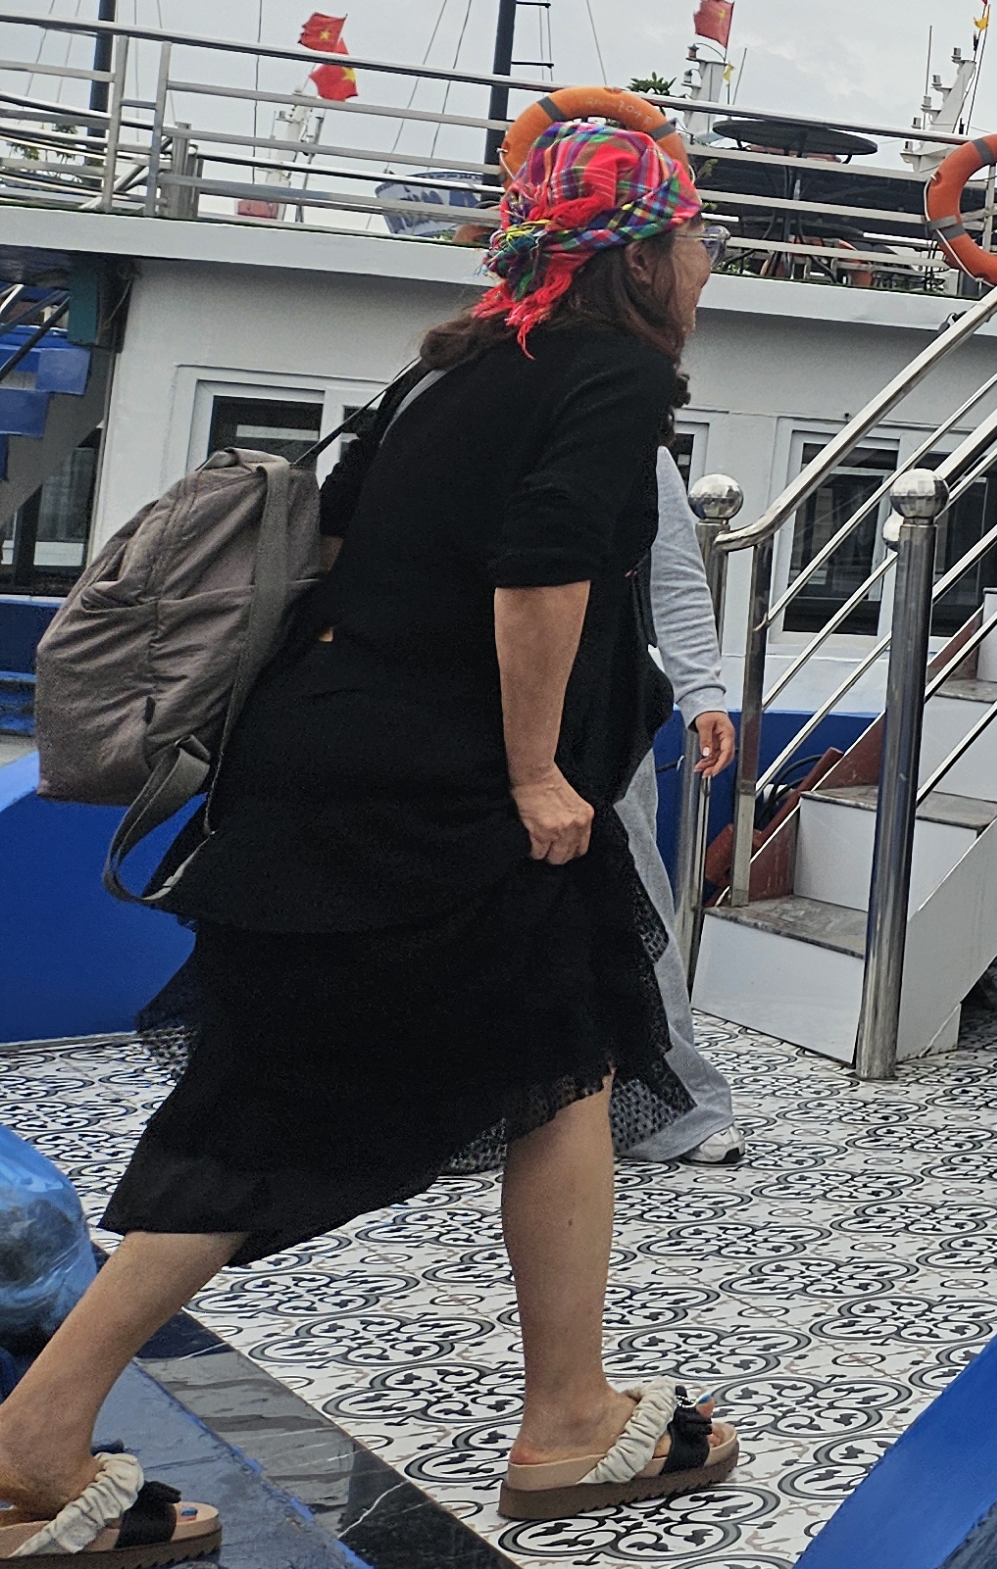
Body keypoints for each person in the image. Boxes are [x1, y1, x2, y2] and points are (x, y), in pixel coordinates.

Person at [0, 122, 740, 1547]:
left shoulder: (454, 369)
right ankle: (36, 1433)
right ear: (640, 255)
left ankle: (569, 1412)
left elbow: (350, 556)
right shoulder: (611, 371)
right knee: (264, 1119)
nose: (709, 259)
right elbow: (540, 568)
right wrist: (535, 771)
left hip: (332, 776)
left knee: (562, 1062)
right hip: (428, 810)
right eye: (697, 235)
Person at [619, 446, 742, 1166]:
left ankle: (674, 1107)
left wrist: (702, 695)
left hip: (598, 709)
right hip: (460, 705)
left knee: (632, 897)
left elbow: (674, 574)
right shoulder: (461, 408)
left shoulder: (632, 438)